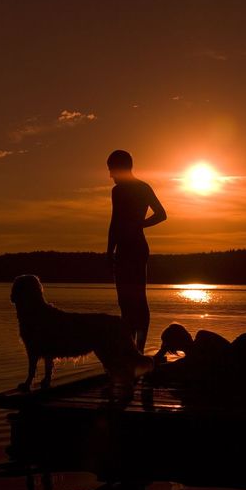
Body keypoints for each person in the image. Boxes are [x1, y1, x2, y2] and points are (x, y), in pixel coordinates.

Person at [107, 150, 167, 353]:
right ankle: (132, 347)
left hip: (134, 248)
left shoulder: (125, 190)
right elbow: (115, 222)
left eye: (112, 170)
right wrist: (110, 251)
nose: (110, 175)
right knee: (126, 300)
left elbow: (161, 214)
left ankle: (137, 349)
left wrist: (139, 224)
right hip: (127, 248)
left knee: (136, 299)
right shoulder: (138, 188)